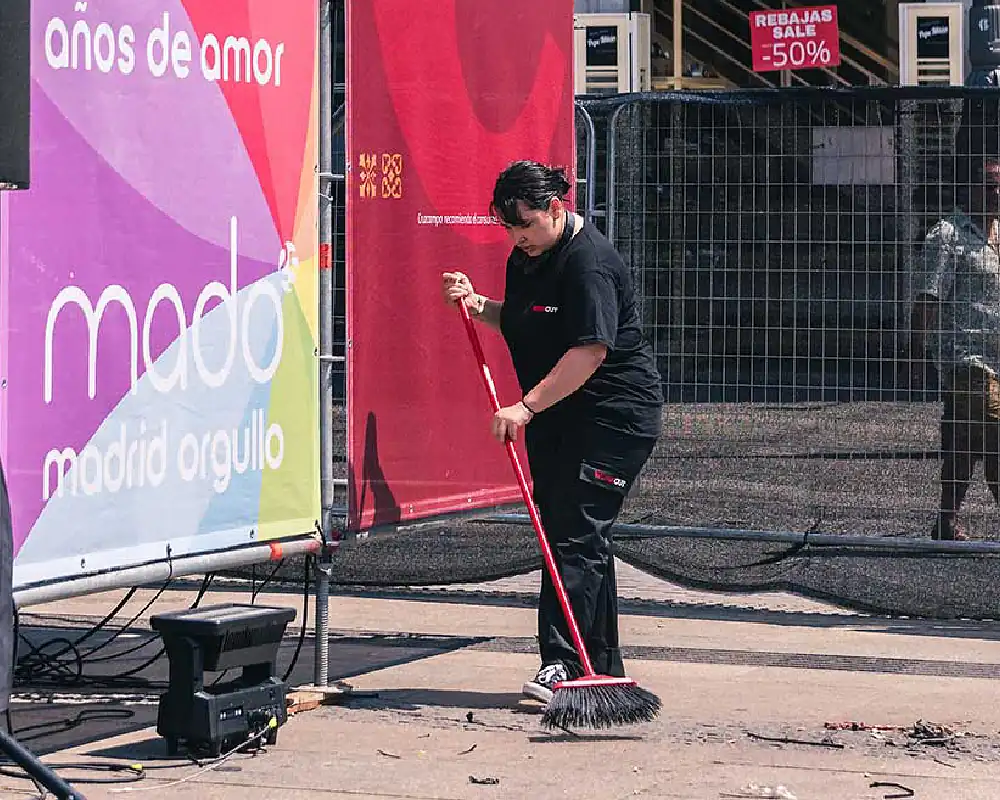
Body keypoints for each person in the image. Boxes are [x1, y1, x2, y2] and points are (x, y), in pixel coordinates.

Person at [441, 160, 663, 703]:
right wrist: (477, 305)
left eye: (526, 227)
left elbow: (589, 350)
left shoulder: (589, 265)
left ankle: (563, 662)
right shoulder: (527, 255)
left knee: (574, 533)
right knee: (574, 532)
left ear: (555, 209)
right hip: (559, 413)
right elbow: (524, 318)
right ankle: (602, 667)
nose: (519, 241)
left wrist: (525, 407)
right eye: (510, 230)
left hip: (613, 417)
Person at [910, 150, 1000, 541]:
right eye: (990, 186)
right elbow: (928, 298)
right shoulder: (947, 234)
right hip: (965, 358)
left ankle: (946, 521)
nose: (997, 193)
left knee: (965, 442)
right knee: (996, 433)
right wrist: (915, 354)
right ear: (970, 189)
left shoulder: (999, 234)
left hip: (998, 358)